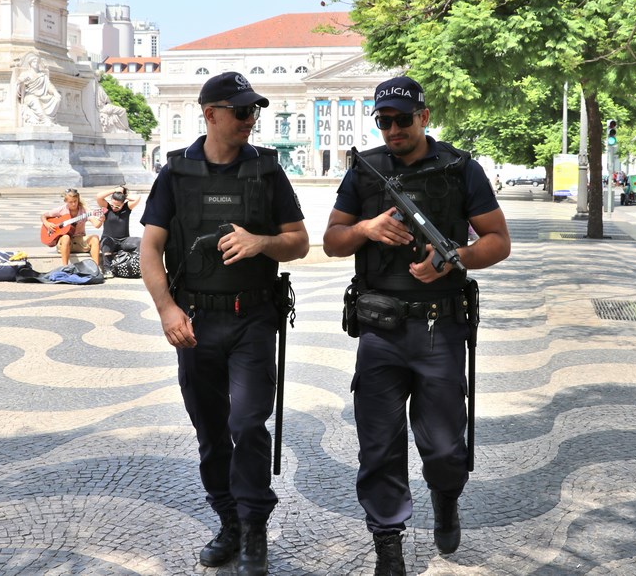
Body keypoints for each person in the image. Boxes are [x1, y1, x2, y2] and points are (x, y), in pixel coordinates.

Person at [322, 76, 511, 575]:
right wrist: (365, 229)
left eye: (402, 119)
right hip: (379, 329)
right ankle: (388, 544)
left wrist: (454, 259)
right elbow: (332, 241)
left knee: (446, 448)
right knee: (378, 446)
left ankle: (446, 498)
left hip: (439, 329)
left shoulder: (460, 168)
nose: (393, 129)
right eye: (383, 121)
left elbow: (498, 241)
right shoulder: (364, 170)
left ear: (424, 117)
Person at [140, 71, 309, 575]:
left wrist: (262, 243)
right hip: (195, 323)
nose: (249, 119)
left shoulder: (267, 171)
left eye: (253, 110)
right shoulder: (175, 173)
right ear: (210, 114)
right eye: (240, 111)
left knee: (248, 424)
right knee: (211, 430)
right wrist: (167, 308)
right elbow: (150, 248)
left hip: (252, 318)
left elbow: (299, 242)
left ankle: (254, 525)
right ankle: (229, 520)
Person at [41, 189, 103, 266]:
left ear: (78, 199)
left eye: (75, 201)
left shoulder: (84, 210)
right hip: (64, 243)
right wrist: (47, 224)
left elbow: (96, 225)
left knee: (95, 238)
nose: (73, 204)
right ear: (66, 201)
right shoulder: (62, 209)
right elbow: (43, 216)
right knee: (66, 237)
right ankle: (65, 267)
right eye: (70, 202)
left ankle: (95, 267)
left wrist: (101, 220)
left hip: (79, 241)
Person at [95, 185, 142, 268]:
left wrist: (122, 195)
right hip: (109, 240)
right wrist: (115, 190)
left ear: (123, 203)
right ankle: (108, 269)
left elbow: (137, 198)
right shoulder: (107, 207)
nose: (114, 208)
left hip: (124, 240)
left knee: (140, 242)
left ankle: (136, 266)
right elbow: (99, 196)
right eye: (112, 205)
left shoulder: (127, 208)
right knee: (106, 243)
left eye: (117, 206)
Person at [16, 52, 61, 126]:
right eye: (34, 62)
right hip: (29, 96)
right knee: (34, 100)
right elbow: (18, 85)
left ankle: (50, 120)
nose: (36, 63)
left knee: (56, 99)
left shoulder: (42, 75)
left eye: (37, 62)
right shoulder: (26, 74)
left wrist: (55, 92)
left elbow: (49, 85)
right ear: (30, 63)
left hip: (42, 95)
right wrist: (21, 81)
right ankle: (45, 120)